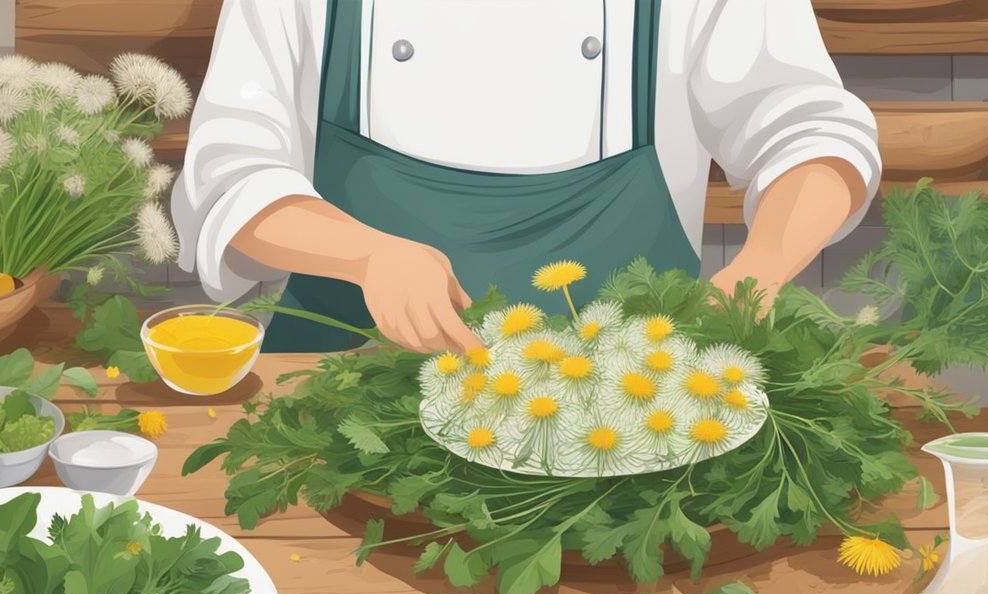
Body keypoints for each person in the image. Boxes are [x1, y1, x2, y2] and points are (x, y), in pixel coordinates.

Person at [172, 0, 880, 354]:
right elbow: (230, 168)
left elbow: (810, 129)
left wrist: (758, 270)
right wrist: (366, 254)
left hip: (628, 407)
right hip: (339, 395)